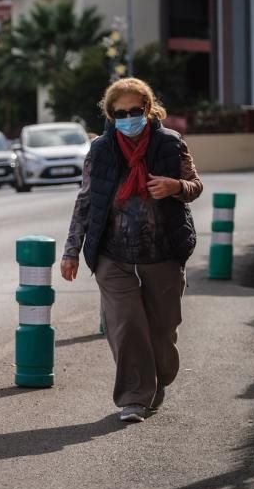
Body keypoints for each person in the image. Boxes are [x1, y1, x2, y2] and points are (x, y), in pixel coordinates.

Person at [60, 78, 203, 422]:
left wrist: (175, 186)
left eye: (135, 111)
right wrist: (71, 250)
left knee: (162, 330)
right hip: (113, 255)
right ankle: (134, 397)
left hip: (163, 252)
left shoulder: (170, 144)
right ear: (111, 115)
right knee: (125, 326)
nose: (128, 117)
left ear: (148, 109)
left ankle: (159, 378)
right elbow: (85, 201)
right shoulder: (101, 150)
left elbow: (195, 186)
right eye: (120, 112)